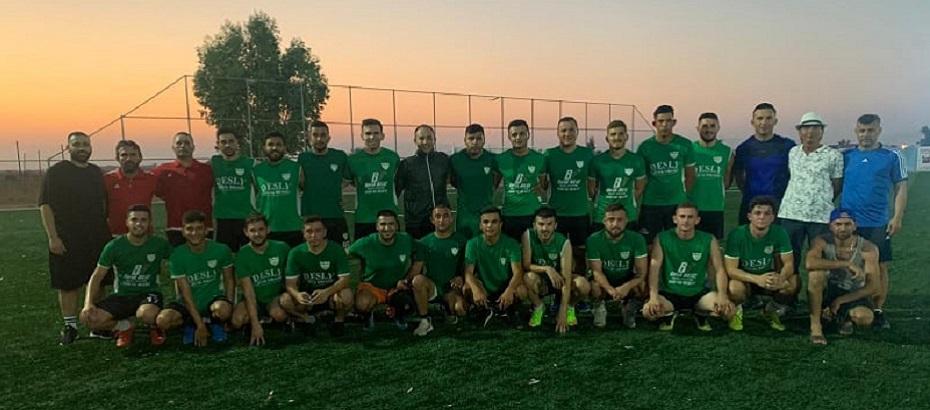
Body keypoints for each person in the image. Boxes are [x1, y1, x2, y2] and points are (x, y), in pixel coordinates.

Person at [39, 131, 112, 345]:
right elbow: (45, 205)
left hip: (96, 236)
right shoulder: (57, 172)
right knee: (68, 284)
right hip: (67, 237)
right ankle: (70, 326)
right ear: (67, 147)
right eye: (77, 144)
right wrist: (53, 237)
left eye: (85, 144)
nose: (81, 148)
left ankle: (97, 326)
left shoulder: (95, 173)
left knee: (98, 281)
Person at [840, 114, 908, 329]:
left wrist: (897, 217)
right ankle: (845, 305)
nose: (865, 134)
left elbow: (900, 187)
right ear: (856, 131)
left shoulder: (891, 156)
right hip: (849, 223)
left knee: (879, 265)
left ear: (879, 130)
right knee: (846, 264)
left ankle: (878, 309)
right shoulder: (846, 156)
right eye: (862, 130)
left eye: (870, 130)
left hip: (877, 221)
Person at [80, 205, 172, 347]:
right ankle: (124, 327)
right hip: (122, 295)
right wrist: (88, 303)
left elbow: (180, 259)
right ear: (127, 222)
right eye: (134, 219)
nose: (139, 224)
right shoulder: (114, 246)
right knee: (89, 318)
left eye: (143, 220)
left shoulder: (159, 244)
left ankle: (155, 327)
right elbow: (97, 276)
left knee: (147, 314)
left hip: (149, 293)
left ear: (149, 223)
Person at [642, 203, 734, 331]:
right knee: (648, 312)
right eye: (682, 216)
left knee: (729, 311)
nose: (686, 220)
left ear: (697, 220)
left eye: (690, 217)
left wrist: (722, 295)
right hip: (670, 293)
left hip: (698, 293)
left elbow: (719, 269)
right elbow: (654, 269)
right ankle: (669, 313)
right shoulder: (662, 238)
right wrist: (653, 297)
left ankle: (700, 313)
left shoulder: (708, 239)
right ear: (675, 219)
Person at [778, 112, 843, 285]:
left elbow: (837, 184)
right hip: (791, 214)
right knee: (789, 260)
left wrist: (821, 199)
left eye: (815, 128)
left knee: (820, 261)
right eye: (806, 128)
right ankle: (788, 296)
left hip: (820, 216)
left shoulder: (833, 155)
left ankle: (820, 297)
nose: (810, 132)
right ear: (800, 131)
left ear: (822, 131)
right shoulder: (793, 153)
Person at [155, 210, 235, 346]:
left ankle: (214, 323)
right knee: (162, 321)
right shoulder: (177, 255)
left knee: (224, 309)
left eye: (199, 228)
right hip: (188, 302)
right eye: (189, 229)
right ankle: (191, 323)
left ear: (206, 230)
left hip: (212, 300)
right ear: (183, 232)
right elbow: (186, 294)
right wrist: (200, 325)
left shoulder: (221, 250)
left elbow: (229, 279)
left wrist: (229, 306)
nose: (194, 233)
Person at [806, 209, 880, 345]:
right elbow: (810, 263)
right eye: (838, 224)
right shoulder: (821, 241)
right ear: (830, 226)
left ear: (855, 226)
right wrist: (847, 264)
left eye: (847, 224)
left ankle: (840, 318)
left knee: (864, 318)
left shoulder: (868, 248)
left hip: (853, 293)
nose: (843, 228)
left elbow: (873, 287)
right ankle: (816, 327)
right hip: (828, 290)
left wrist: (841, 300)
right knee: (815, 276)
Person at [724, 196, 795, 332]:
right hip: (744, 278)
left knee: (792, 284)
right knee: (735, 288)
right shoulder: (737, 234)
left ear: (773, 217)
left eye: (767, 213)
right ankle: (736, 313)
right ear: (749, 216)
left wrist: (780, 278)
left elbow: (789, 263)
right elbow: (731, 269)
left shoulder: (779, 232)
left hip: (767, 277)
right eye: (757, 213)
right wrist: (757, 279)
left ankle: (770, 312)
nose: (762, 217)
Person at [348, 209, 425, 332]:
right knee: (362, 304)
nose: (387, 228)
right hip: (373, 287)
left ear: (397, 226)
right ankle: (367, 315)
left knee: (407, 305)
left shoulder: (406, 240)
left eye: (391, 224)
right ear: (377, 226)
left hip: (397, 287)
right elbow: (345, 254)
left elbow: (420, 256)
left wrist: (406, 279)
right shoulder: (366, 243)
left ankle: (399, 315)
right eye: (383, 224)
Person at [283, 216, 353, 337]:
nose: (313, 235)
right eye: (309, 231)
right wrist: (298, 295)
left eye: (318, 231)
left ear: (325, 232)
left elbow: (345, 280)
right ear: (303, 234)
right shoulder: (295, 253)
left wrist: (326, 293)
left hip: (330, 294)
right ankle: (306, 319)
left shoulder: (336, 249)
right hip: (308, 297)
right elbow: (290, 284)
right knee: (285, 300)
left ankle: (338, 321)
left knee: (346, 296)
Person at [636, 105, 695, 244]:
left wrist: (681, 194)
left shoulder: (685, 144)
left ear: (674, 122)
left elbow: (690, 175)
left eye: (668, 121)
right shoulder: (645, 147)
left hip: (676, 204)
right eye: (661, 121)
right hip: (651, 203)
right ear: (654, 123)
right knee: (649, 244)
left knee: (676, 242)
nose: (664, 125)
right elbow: (641, 178)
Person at [229, 213, 291, 346]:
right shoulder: (242, 255)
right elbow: (248, 292)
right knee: (237, 321)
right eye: (252, 230)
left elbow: (293, 276)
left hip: (274, 298)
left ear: (268, 229)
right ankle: (257, 321)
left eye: (261, 229)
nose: (257, 234)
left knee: (279, 314)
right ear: (246, 232)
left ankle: (287, 319)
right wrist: (255, 324)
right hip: (254, 300)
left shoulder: (282, 248)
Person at [587, 203, 648, 329]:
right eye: (611, 220)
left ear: (626, 221)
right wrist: (611, 290)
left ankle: (629, 309)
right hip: (605, 279)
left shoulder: (637, 239)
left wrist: (626, 287)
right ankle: (599, 308)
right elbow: (597, 272)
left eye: (620, 220)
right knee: (594, 286)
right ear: (604, 221)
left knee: (643, 285)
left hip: (625, 278)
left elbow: (641, 273)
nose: (615, 224)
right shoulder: (593, 239)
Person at [732, 103, 795, 226]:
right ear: (752, 122)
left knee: (778, 238)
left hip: (780, 206)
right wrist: (749, 192)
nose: (764, 122)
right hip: (751, 204)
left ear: (775, 121)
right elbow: (739, 176)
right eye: (760, 118)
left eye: (768, 118)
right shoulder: (744, 148)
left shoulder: (787, 146)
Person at [463, 207, 526, 326]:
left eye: (494, 222)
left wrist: (510, 289)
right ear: (480, 225)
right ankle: (482, 310)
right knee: (467, 288)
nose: (489, 225)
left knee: (521, 290)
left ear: (500, 225)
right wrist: (476, 289)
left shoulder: (511, 244)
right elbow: (468, 272)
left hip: (504, 286)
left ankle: (510, 310)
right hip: (484, 288)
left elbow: (518, 271)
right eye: (486, 222)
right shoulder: (472, 243)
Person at [545, 117, 594, 270]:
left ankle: (579, 281)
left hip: (580, 213)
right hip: (557, 214)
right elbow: (542, 183)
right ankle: (557, 280)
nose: (567, 134)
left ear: (577, 131)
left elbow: (592, 183)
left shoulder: (587, 154)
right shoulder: (549, 154)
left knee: (580, 254)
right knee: (555, 252)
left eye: (571, 130)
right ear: (558, 133)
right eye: (563, 130)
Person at [413, 204, 469, 335]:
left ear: (452, 218)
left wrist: (461, 278)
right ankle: (425, 320)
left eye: (445, 216)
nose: (441, 220)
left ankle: (446, 307)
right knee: (417, 281)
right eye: (437, 216)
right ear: (432, 220)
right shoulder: (424, 242)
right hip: (434, 287)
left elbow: (468, 266)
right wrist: (405, 281)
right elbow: (417, 268)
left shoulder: (461, 240)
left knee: (460, 309)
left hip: (452, 287)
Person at [153, 132, 214, 246]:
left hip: (203, 226)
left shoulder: (207, 170)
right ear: (173, 147)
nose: (182, 146)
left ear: (193, 147)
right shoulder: (163, 171)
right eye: (179, 143)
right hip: (176, 227)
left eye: (186, 143)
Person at [521, 207, 576, 333]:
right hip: (541, 281)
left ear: (555, 226)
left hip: (559, 281)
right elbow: (526, 265)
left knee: (582, 285)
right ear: (534, 225)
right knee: (527, 277)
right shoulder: (527, 235)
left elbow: (567, 278)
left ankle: (569, 307)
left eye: (549, 224)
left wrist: (562, 312)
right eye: (541, 224)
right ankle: (539, 306)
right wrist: (547, 269)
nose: (545, 228)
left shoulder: (564, 242)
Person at [298, 120, 351, 248]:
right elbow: (300, 183)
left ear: (328, 137)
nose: (319, 139)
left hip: (335, 215)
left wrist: (335, 190)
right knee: (312, 254)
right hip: (311, 216)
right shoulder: (303, 158)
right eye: (315, 135)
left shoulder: (339, 156)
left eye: (323, 135)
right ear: (309, 137)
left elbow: (349, 179)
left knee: (341, 253)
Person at [588, 120, 647, 234]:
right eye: (613, 134)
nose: (617, 137)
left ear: (626, 137)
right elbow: (591, 189)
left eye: (621, 134)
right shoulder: (597, 161)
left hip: (628, 215)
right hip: (602, 215)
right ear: (607, 138)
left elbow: (639, 188)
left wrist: (626, 201)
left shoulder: (636, 160)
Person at [347, 119, 400, 241]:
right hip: (363, 218)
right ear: (362, 136)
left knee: (391, 252)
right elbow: (346, 183)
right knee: (362, 252)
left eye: (376, 133)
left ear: (382, 135)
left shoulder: (393, 157)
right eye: (368, 133)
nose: (372, 137)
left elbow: (399, 182)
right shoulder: (353, 160)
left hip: (389, 217)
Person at [395, 124, 451, 239]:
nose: (425, 142)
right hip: (416, 222)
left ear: (435, 139)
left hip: (440, 220)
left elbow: (453, 179)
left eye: (429, 138)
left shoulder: (443, 160)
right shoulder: (407, 164)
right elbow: (395, 191)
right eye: (421, 138)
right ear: (415, 140)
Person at [497, 119, 547, 241]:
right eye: (514, 134)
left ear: (528, 135)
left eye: (522, 134)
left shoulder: (539, 158)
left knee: (532, 250)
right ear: (509, 136)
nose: (518, 137)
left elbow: (543, 185)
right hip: (510, 214)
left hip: (533, 213)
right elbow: (494, 184)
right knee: (512, 250)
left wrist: (539, 191)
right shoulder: (501, 159)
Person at [450, 124, 500, 238]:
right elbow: (451, 179)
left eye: (479, 138)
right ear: (465, 140)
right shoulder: (455, 159)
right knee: (465, 246)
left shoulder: (492, 159)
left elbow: (498, 177)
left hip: (486, 215)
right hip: (465, 216)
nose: (475, 142)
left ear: (484, 140)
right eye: (471, 138)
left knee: (486, 245)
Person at [253, 132, 303, 247]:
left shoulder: (296, 168)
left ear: (284, 148)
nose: (274, 147)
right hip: (266, 229)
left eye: (278, 144)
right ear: (264, 148)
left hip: (293, 228)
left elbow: (306, 191)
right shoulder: (256, 171)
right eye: (270, 144)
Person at [690, 113, 733, 240]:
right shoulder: (689, 150)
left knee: (714, 246)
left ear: (718, 128)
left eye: (712, 126)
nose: (708, 129)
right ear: (697, 128)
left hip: (715, 208)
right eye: (704, 126)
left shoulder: (727, 152)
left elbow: (726, 180)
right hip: (692, 208)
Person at [211, 128, 255, 252]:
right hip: (223, 218)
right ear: (218, 144)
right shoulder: (214, 163)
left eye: (231, 141)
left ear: (237, 143)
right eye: (223, 142)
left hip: (246, 217)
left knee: (248, 254)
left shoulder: (250, 163)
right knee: (226, 255)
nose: (227, 145)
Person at [103, 140, 157, 236]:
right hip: (115, 235)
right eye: (124, 155)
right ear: (117, 158)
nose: (128, 158)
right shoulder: (107, 179)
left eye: (133, 155)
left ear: (140, 157)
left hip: (144, 235)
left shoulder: (151, 179)